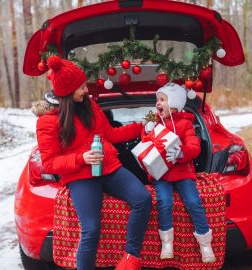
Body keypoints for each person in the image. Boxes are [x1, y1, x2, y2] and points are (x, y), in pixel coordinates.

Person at [36, 55, 152, 270]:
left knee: (142, 199)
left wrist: (140, 127)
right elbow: (50, 163)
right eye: (81, 87)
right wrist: (82, 158)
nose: (86, 90)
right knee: (90, 230)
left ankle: (130, 258)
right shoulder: (48, 122)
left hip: (108, 167)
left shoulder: (91, 106)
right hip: (81, 176)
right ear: (68, 92)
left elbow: (111, 134)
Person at [145, 83, 216, 263]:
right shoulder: (155, 123)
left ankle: (205, 243)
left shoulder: (185, 124)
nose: (157, 103)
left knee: (193, 201)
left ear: (174, 103)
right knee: (164, 202)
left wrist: (181, 152)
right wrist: (145, 131)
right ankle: (167, 242)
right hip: (161, 174)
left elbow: (194, 147)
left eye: (162, 99)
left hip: (183, 171)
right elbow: (146, 147)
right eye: (157, 100)